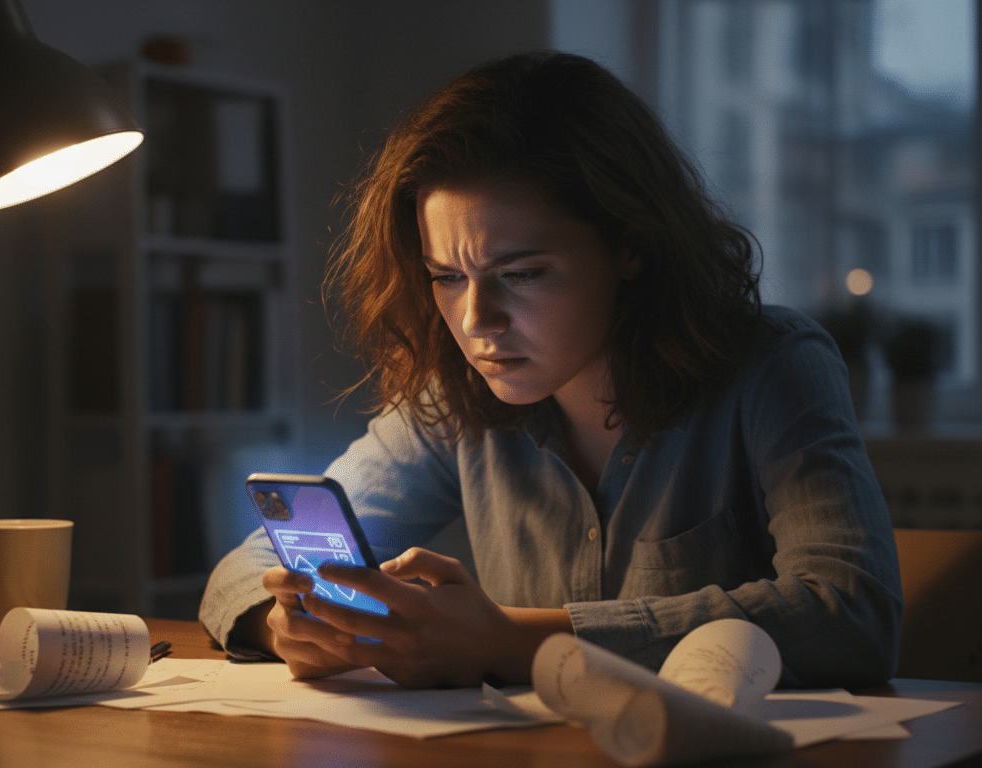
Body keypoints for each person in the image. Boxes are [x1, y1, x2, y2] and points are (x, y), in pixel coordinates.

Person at [199, 50, 902, 690]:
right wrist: (286, 625)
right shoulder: (456, 399)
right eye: (446, 276)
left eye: (523, 272)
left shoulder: (771, 366)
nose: (477, 320)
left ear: (631, 247)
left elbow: (851, 613)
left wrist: (512, 642)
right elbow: (239, 571)